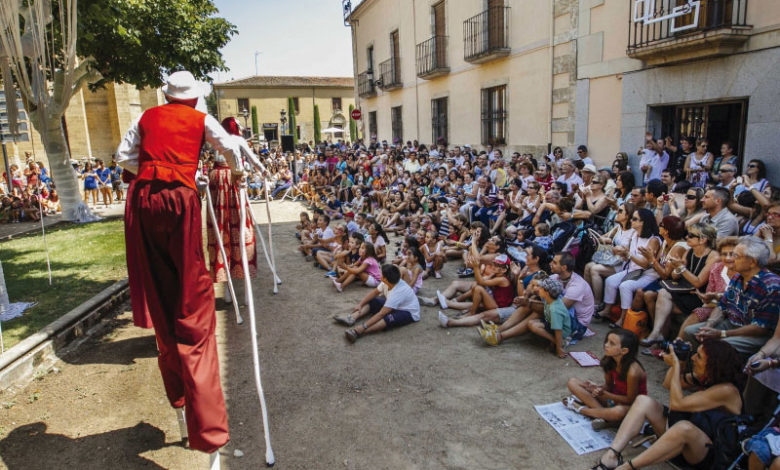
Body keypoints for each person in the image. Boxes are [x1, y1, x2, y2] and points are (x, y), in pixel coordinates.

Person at [116, 71, 234, 461]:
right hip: (179, 204)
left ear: (167, 95)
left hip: (143, 202)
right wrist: (233, 171)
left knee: (164, 304)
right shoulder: (202, 119)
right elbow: (229, 148)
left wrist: (154, 171)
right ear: (195, 99)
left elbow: (124, 157)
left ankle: (181, 407)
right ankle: (209, 435)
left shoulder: (146, 117)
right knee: (193, 311)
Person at [592, 340, 744, 470]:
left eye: (698, 356)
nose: (693, 358)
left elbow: (677, 404)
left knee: (684, 428)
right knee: (643, 401)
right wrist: (679, 362)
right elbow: (667, 384)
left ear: (713, 364)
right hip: (681, 443)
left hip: (706, 454)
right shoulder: (705, 377)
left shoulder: (727, 390)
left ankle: (627, 467)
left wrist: (677, 366)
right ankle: (612, 455)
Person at [683, 236, 780, 355]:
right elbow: (722, 305)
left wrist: (722, 334)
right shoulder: (738, 277)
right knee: (690, 331)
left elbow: (761, 329)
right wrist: (709, 326)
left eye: (736, 256)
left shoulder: (770, 286)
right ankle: (694, 370)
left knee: (721, 346)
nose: (732, 259)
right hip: (731, 323)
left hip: (753, 334)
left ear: (752, 262)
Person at [566, 329, 647, 430]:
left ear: (624, 351)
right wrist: (597, 388)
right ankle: (604, 416)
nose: (606, 345)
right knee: (573, 382)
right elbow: (609, 386)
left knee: (618, 412)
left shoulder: (633, 372)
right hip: (613, 399)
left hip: (631, 406)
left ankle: (581, 409)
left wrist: (606, 394)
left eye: (612, 343)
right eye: (607, 341)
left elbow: (631, 400)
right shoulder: (610, 360)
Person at [598, 208, 661, 328]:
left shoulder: (653, 240)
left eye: (635, 219)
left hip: (647, 275)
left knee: (625, 286)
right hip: (632, 270)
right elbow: (629, 258)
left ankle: (623, 318)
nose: (631, 220)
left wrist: (628, 254)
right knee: (610, 281)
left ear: (643, 222)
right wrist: (621, 253)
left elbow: (645, 264)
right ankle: (607, 310)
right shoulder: (635, 235)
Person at [334, 264, 421, 342]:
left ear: (385, 278)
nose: (379, 273)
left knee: (388, 319)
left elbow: (381, 314)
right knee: (374, 301)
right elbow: (375, 292)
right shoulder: (388, 282)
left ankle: (358, 332)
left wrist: (364, 326)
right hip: (396, 305)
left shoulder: (397, 292)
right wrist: (360, 304)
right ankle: (351, 318)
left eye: (381, 273)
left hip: (408, 312)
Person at [527, 277, 570, 358]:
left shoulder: (554, 309)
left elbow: (558, 330)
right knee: (530, 323)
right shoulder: (549, 300)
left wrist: (559, 348)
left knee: (533, 326)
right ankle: (555, 341)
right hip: (551, 323)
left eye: (541, 288)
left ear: (546, 293)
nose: (538, 289)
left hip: (562, 331)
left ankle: (558, 343)